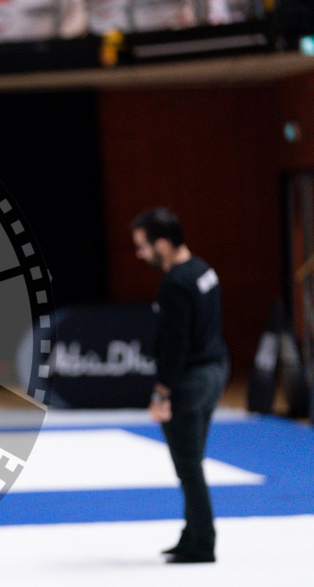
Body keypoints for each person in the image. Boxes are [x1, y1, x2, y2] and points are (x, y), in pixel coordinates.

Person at [131, 207, 229, 564]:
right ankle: (192, 533)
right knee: (194, 460)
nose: (141, 255)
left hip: (190, 379)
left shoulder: (174, 283)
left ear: (162, 243)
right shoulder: (203, 269)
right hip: (215, 370)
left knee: (188, 465)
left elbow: (176, 343)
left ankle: (202, 542)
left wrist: (162, 393)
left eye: (143, 247)